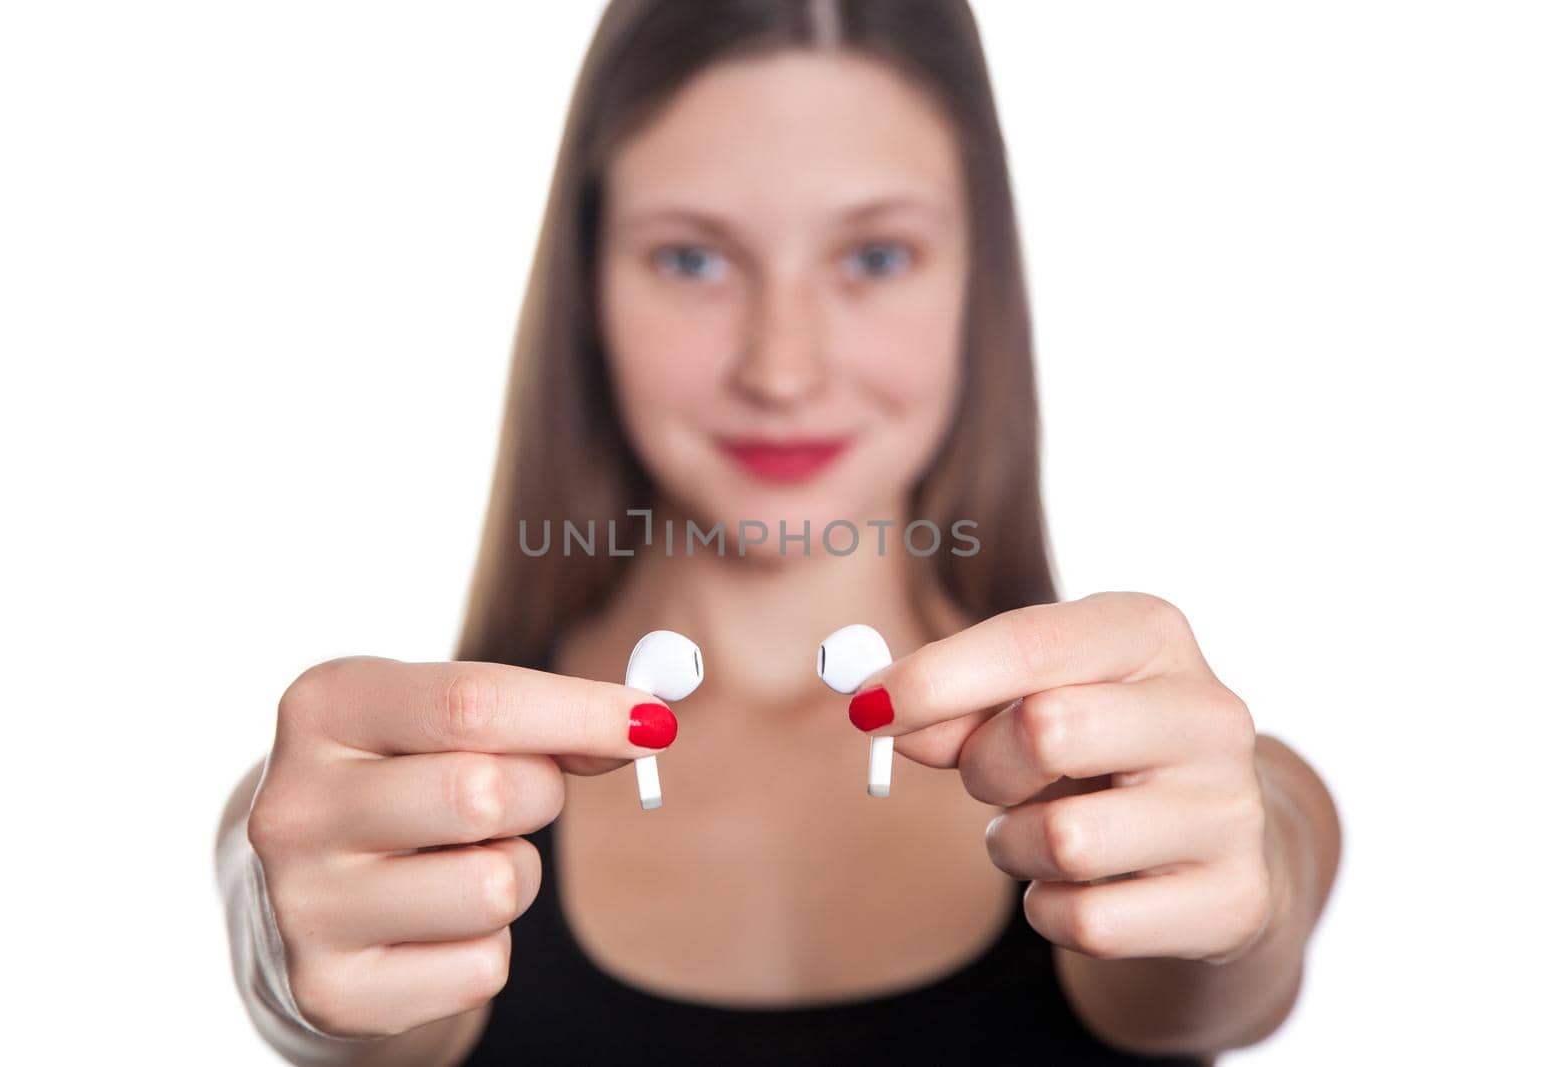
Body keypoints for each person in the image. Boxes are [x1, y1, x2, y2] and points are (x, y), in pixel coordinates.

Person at [215, 1, 1342, 1063]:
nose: (783, 367)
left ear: (977, 279)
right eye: (693, 258)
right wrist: (293, 972)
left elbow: (1231, 942)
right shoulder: (393, 807)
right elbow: (338, 996)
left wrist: (1250, 897)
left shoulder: (1168, 783)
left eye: (875, 256)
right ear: (590, 291)